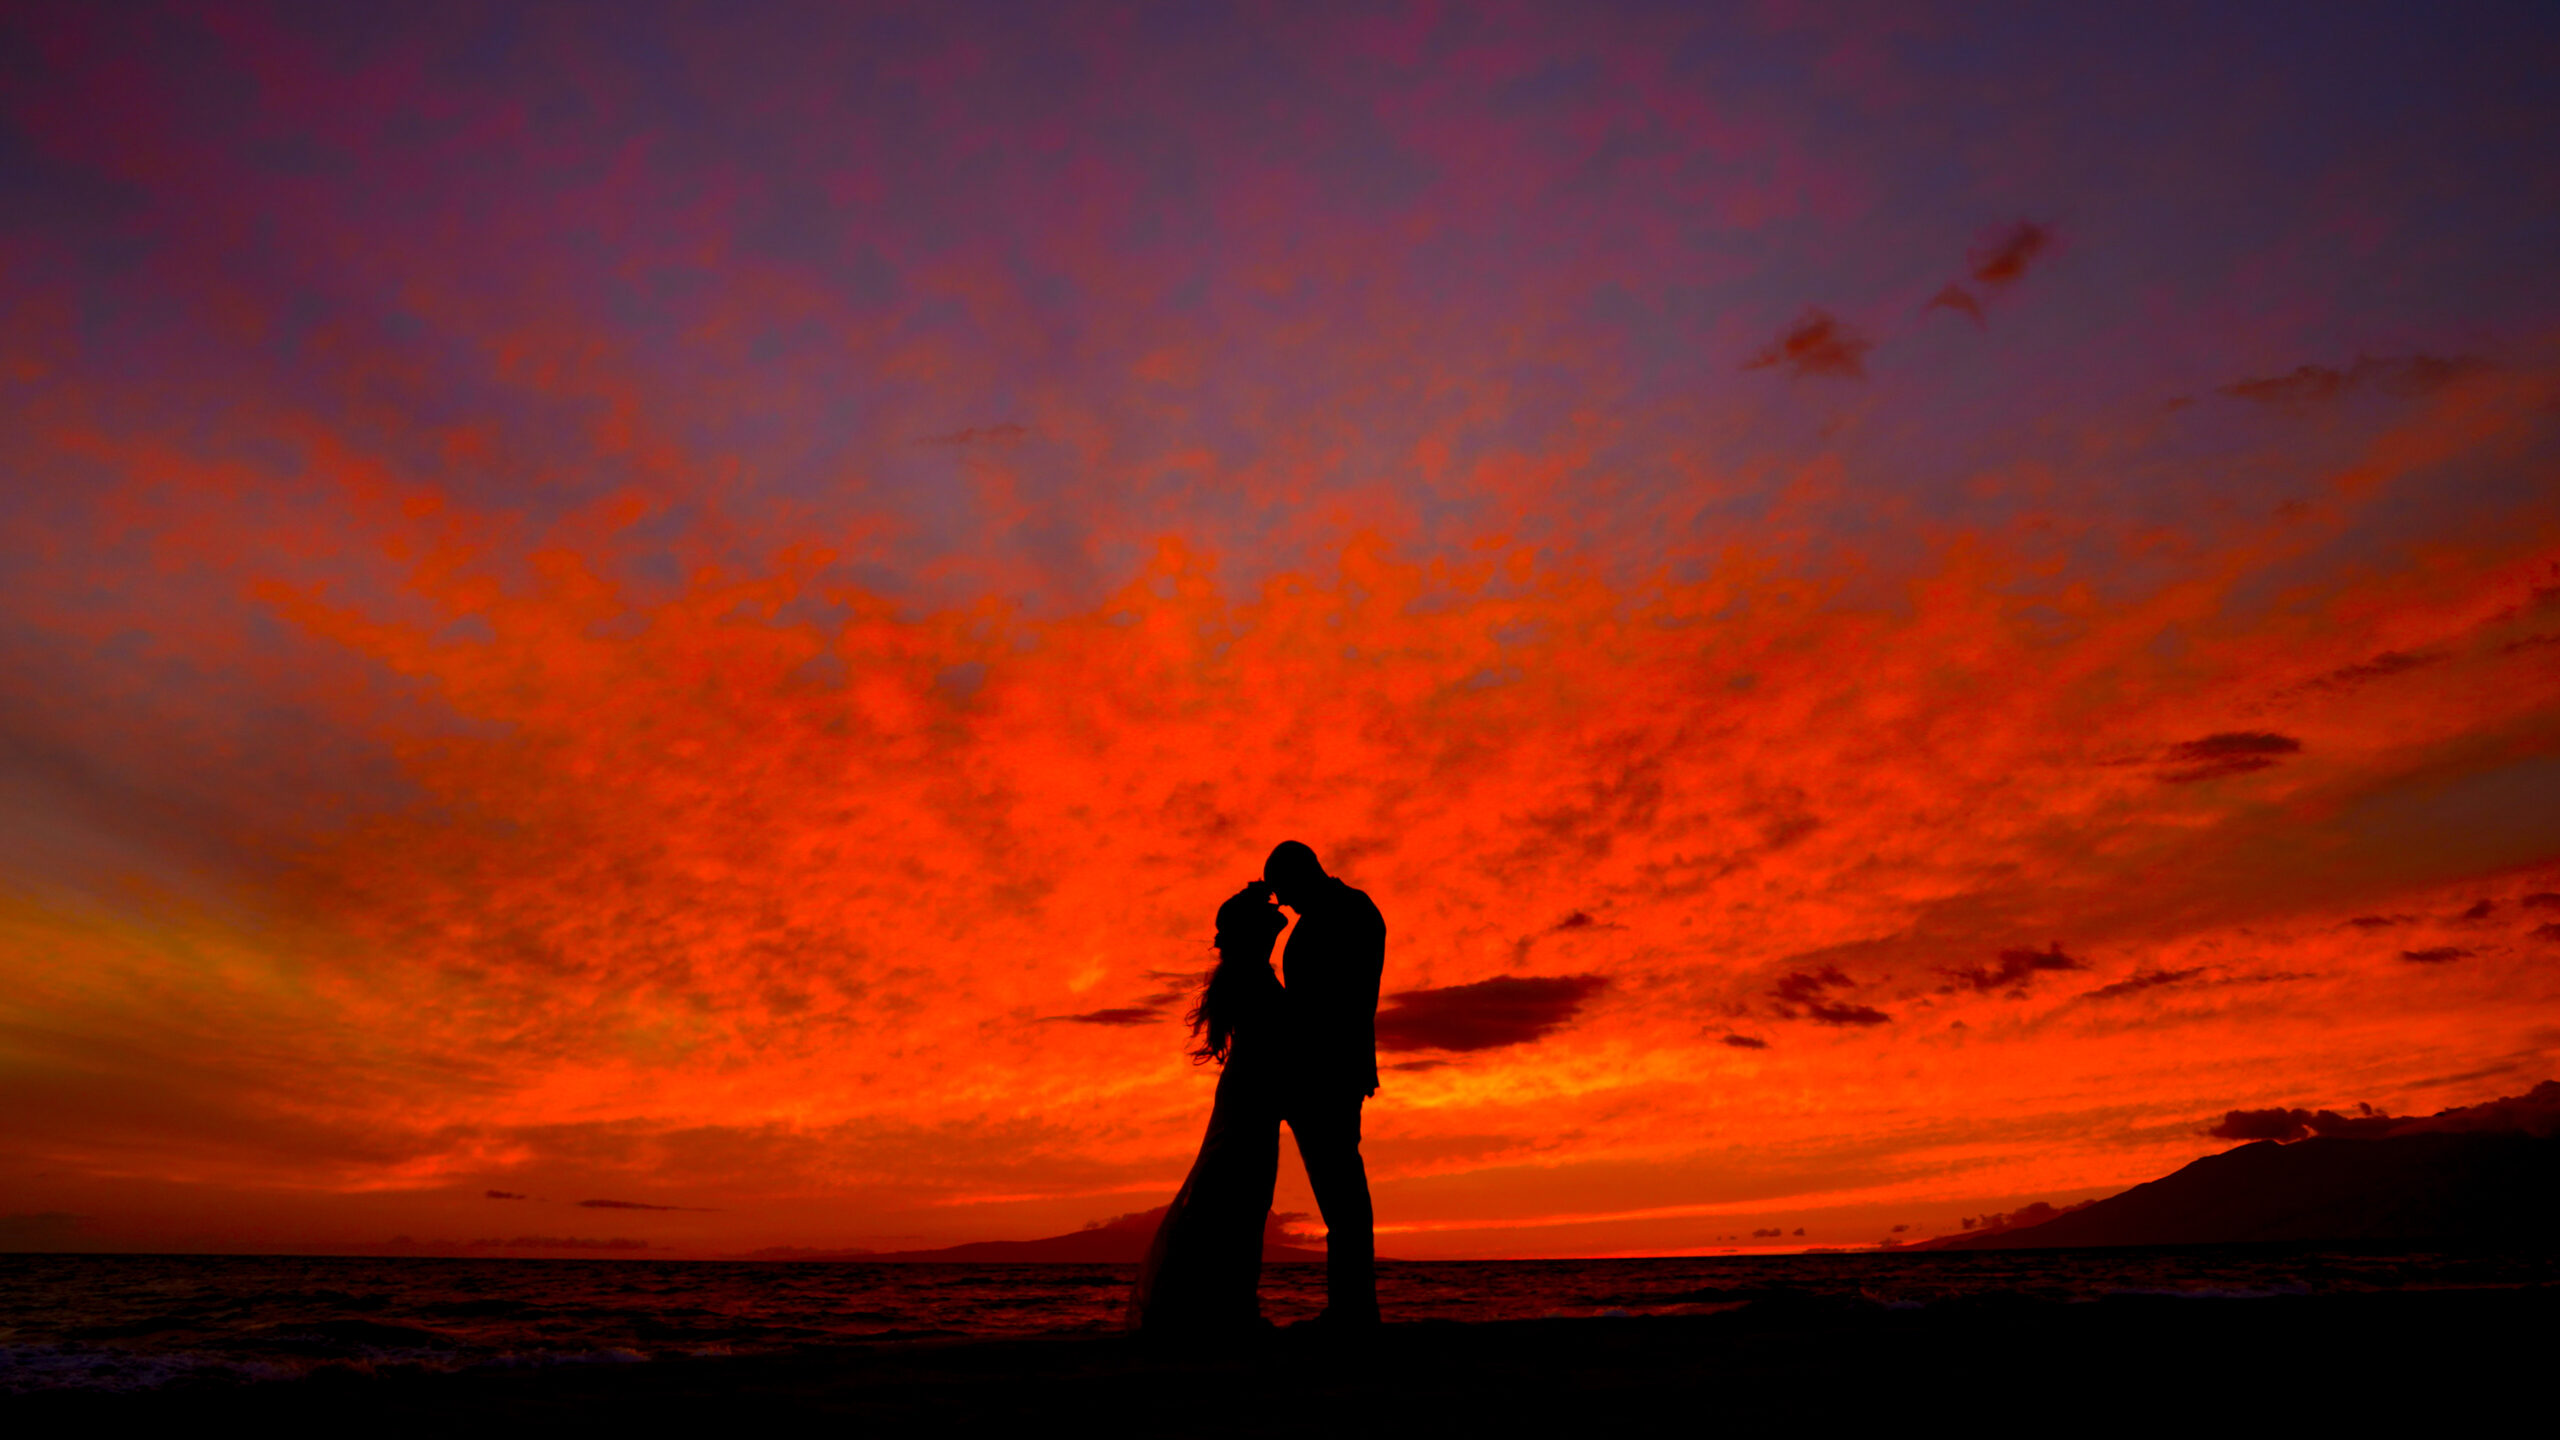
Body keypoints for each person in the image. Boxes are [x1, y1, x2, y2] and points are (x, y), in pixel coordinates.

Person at [1127, 880, 1291, 1334]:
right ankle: (1230, 1308)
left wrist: (1262, 897)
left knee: (1238, 1196)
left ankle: (1226, 1304)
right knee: (1239, 1197)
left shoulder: (1246, 969)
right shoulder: (1251, 973)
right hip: (1252, 1091)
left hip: (1250, 1090)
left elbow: (1270, 924)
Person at [1265, 839, 1385, 1328]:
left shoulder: (1350, 911)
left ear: (1305, 874)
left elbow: (1339, 999)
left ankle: (1354, 1310)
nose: (1285, 903)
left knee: (1342, 1193)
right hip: (1316, 1069)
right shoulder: (1325, 915)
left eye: (1285, 890)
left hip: (1331, 1069)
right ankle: (1351, 1307)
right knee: (1338, 1191)